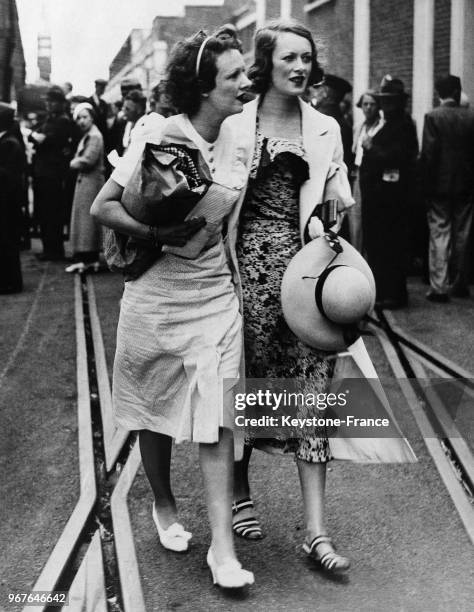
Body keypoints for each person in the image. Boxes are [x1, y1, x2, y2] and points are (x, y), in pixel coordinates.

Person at [91, 31, 255, 589]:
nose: (244, 82)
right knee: (153, 407)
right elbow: (102, 206)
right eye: (233, 76)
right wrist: (156, 230)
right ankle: (163, 504)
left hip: (214, 296)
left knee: (218, 418)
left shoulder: (239, 134)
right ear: (203, 87)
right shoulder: (162, 134)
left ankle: (223, 553)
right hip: (157, 294)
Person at [228, 21, 354, 571]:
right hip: (245, 277)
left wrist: (335, 199)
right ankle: (237, 492)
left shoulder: (325, 126)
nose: (300, 68)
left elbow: (340, 184)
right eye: (289, 58)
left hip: (308, 278)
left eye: (306, 58)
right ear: (265, 63)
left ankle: (316, 532)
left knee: (313, 393)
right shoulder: (236, 125)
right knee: (251, 384)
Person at [359, 77, 418, 309]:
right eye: (385, 100)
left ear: (399, 102)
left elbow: (400, 157)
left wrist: (372, 148)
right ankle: (384, 292)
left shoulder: (402, 125)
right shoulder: (391, 123)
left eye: (390, 101)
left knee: (389, 247)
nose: (386, 105)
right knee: (381, 246)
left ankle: (392, 294)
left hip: (391, 199)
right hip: (382, 197)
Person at [420, 74, 474, 302]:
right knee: (463, 234)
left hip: (439, 187)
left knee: (439, 235)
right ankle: (460, 282)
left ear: (438, 93)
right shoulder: (471, 117)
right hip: (466, 185)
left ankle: (439, 286)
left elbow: (429, 156)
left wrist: (425, 186)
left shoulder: (433, 117)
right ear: (456, 91)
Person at [30, 86, 76, 261]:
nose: (48, 104)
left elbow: (50, 139)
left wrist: (41, 138)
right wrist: (39, 138)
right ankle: (48, 247)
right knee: (43, 211)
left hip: (53, 174)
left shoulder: (63, 121)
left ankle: (54, 250)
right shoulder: (49, 119)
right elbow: (33, 136)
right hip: (42, 171)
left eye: (52, 101)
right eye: (47, 101)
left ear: (61, 103)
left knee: (52, 212)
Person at [65, 103, 104, 272]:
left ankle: (89, 258)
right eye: (79, 118)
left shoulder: (94, 136)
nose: (81, 121)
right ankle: (87, 258)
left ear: (92, 117)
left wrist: (72, 162)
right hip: (87, 181)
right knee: (85, 221)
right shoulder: (89, 134)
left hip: (91, 182)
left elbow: (88, 160)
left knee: (87, 221)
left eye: (84, 117)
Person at [351, 90, 384, 253]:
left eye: (372, 104)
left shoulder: (382, 126)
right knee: (356, 218)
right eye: (365, 104)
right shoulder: (359, 127)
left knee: (371, 218)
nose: (369, 108)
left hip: (374, 178)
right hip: (358, 174)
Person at [0, 103, 25, 294]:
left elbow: (9, 175)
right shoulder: (8, 141)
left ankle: (10, 283)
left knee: (7, 242)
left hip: (7, 203)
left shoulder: (9, 143)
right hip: (7, 201)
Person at [309, 74, 353, 170]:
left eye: (318, 88)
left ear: (325, 92)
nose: (314, 93)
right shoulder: (341, 120)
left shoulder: (319, 119)